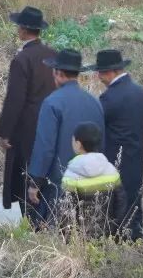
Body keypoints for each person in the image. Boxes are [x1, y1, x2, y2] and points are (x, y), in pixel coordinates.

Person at [26, 49, 105, 227]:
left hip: (59, 183)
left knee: (55, 232)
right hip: (91, 181)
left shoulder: (52, 103)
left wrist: (35, 182)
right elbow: (102, 145)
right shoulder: (95, 103)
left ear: (58, 73)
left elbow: (45, 147)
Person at [0, 6, 58, 212]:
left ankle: (32, 223)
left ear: (22, 30)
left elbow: (15, 99)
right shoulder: (53, 55)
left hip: (27, 129)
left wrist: (4, 132)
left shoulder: (22, 59)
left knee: (26, 176)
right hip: (54, 123)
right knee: (47, 175)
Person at [92, 49, 143, 242]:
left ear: (110, 72)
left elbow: (97, 130)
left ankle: (118, 247)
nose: (98, 77)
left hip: (114, 162)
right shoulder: (140, 93)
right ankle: (137, 243)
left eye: (100, 72)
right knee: (134, 205)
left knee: (115, 209)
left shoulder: (109, 99)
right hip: (136, 159)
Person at [62, 122, 123, 237]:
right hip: (106, 235)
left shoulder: (71, 174)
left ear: (78, 144)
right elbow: (120, 204)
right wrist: (114, 232)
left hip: (80, 239)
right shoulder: (111, 170)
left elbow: (66, 210)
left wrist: (67, 237)